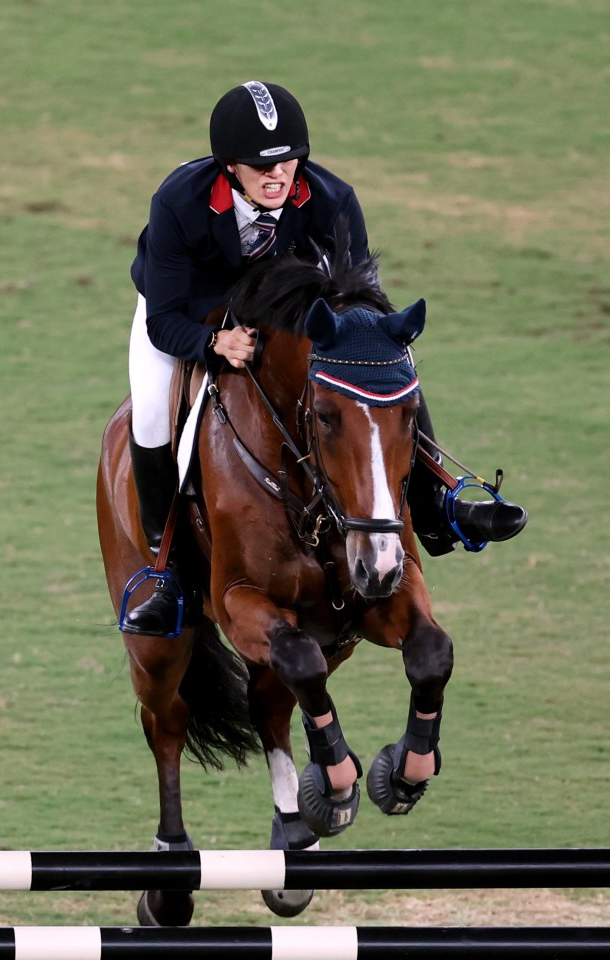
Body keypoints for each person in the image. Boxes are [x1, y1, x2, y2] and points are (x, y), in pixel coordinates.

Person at [123, 80, 527, 637]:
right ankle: (165, 572)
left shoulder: (332, 200)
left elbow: (362, 305)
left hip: (287, 317)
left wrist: (368, 345)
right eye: (260, 166)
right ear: (228, 167)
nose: (277, 177)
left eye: (288, 163)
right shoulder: (180, 202)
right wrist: (213, 343)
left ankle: (439, 504)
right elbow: (163, 319)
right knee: (148, 414)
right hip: (191, 314)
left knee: (386, 368)